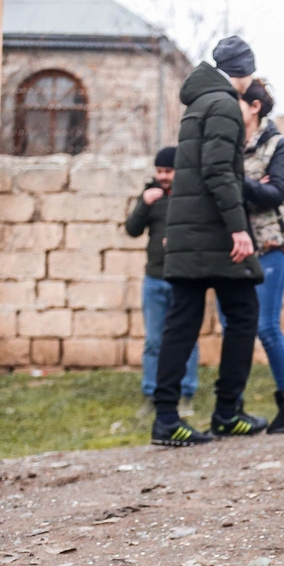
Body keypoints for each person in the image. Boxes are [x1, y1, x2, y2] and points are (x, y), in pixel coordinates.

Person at [151, 36, 268, 447]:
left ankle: (168, 418)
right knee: (243, 315)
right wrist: (239, 229)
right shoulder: (223, 105)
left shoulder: (198, 102)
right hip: (215, 235)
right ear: (244, 70)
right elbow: (219, 172)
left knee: (181, 323)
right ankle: (225, 412)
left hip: (191, 232)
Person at [237, 78, 284, 433]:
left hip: (270, 245)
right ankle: (233, 408)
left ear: (254, 106)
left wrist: (240, 184)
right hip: (235, 249)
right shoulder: (230, 143)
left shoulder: (277, 145)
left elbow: (276, 192)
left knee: (266, 326)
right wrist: (253, 186)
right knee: (234, 327)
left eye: (237, 100)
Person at [124, 146, 199, 419]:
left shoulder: (192, 195)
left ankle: (186, 394)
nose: (163, 176)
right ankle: (151, 395)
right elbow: (132, 230)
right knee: (154, 341)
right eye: (159, 171)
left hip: (184, 280)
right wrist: (144, 203)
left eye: (168, 171)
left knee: (186, 340)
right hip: (154, 279)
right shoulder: (150, 195)